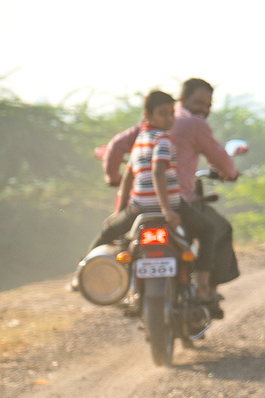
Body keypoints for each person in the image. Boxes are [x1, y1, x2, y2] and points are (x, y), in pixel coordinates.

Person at [102, 78, 243, 295]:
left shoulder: (145, 129)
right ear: (183, 99)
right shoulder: (190, 125)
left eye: (208, 105)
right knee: (217, 229)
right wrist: (231, 173)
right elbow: (219, 157)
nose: (204, 109)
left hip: (140, 205)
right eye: (199, 103)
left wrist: (113, 178)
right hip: (180, 202)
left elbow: (115, 148)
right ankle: (207, 286)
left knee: (113, 233)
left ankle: (97, 277)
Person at [89, 90, 217, 302]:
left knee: (109, 231)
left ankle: (85, 273)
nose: (169, 118)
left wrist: (120, 212)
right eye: (163, 113)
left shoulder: (139, 142)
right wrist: (167, 211)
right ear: (148, 116)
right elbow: (158, 171)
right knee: (208, 230)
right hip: (173, 206)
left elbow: (128, 176)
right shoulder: (164, 140)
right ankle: (203, 285)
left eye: (171, 113)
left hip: (139, 208)